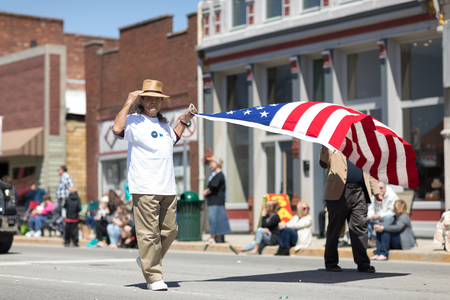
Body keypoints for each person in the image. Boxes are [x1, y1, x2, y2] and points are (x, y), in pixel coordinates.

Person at [112, 79, 197, 291]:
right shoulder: (133, 120)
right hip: (145, 187)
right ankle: (153, 277)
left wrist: (185, 119)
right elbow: (116, 128)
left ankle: (146, 259)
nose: (153, 102)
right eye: (149, 98)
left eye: (157, 99)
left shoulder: (163, 125)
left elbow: (172, 139)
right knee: (149, 234)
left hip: (167, 187)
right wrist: (128, 101)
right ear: (142, 100)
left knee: (170, 230)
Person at [319, 146, 381, 273]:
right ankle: (331, 262)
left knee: (360, 228)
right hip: (338, 192)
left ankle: (363, 263)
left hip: (360, 191)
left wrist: (376, 191)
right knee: (335, 228)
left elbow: (370, 170)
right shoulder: (332, 144)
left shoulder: (363, 147)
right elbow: (323, 164)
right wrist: (324, 147)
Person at [203, 156, 231, 244]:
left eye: (212, 163)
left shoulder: (219, 175)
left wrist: (205, 192)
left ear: (217, 164)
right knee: (218, 219)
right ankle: (218, 238)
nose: (210, 165)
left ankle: (213, 237)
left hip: (216, 201)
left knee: (214, 219)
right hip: (216, 201)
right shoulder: (216, 175)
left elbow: (213, 187)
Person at [367, 182, 398, 247]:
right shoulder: (375, 196)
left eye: (381, 188)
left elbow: (391, 211)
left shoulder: (392, 196)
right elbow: (371, 208)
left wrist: (379, 215)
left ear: (386, 188)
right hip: (377, 218)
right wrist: (370, 215)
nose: (379, 190)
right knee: (366, 218)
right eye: (378, 188)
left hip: (389, 217)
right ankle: (371, 238)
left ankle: (384, 241)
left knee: (387, 217)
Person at [55, 165, 74, 234]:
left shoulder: (66, 176)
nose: (58, 171)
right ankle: (60, 229)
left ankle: (62, 230)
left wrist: (66, 197)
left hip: (64, 199)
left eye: (59, 169)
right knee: (58, 213)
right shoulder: (63, 177)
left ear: (62, 170)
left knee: (63, 214)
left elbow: (71, 186)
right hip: (61, 199)